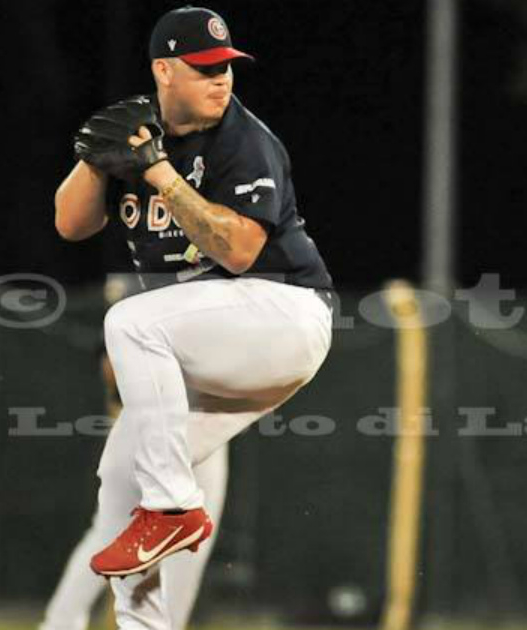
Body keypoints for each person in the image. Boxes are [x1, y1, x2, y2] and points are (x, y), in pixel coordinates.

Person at [53, 7, 334, 629]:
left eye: (226, 68)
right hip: (203, 348)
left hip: (280, 313)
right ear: (163, 70)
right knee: (122, 485)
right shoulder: (134, 130)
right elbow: (71, 224)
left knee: (129, 321)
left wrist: (158, 172)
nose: (220, 80)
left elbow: (238, 250)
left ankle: (175, 506)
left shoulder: (244, 139)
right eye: (203, 69)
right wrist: (95, 159)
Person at [39, 278, 229, 630]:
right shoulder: (154, 281)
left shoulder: (191, 283)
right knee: (124, 535)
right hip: (163, 424)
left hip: (183, 424)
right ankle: (62, 624)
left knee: (175, 541)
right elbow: (110, 363)